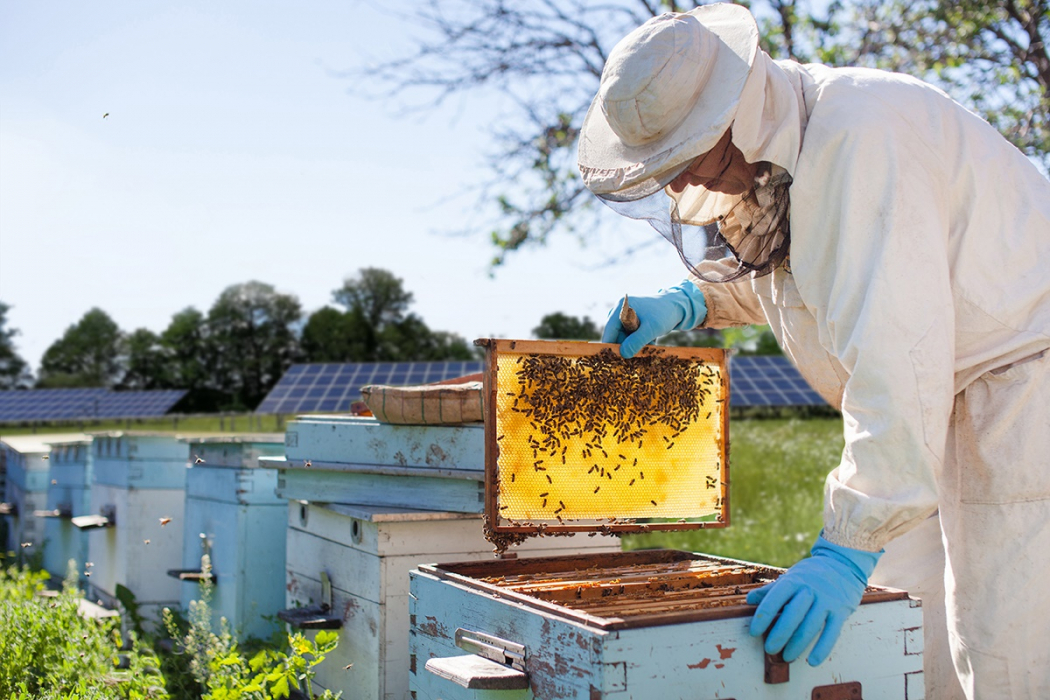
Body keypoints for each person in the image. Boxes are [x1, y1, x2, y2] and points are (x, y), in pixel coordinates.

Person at [577, 4, 1050, 699]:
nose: (678, 187)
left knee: (1007, 645)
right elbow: (801, 276)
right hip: (938, 398)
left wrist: (844, 549)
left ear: (732, 118)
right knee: (905, 625)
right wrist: (691, 303)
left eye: (683, 160)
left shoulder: (860, 137)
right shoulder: (779, 156)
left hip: (1019, 387)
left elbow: (897, 345)